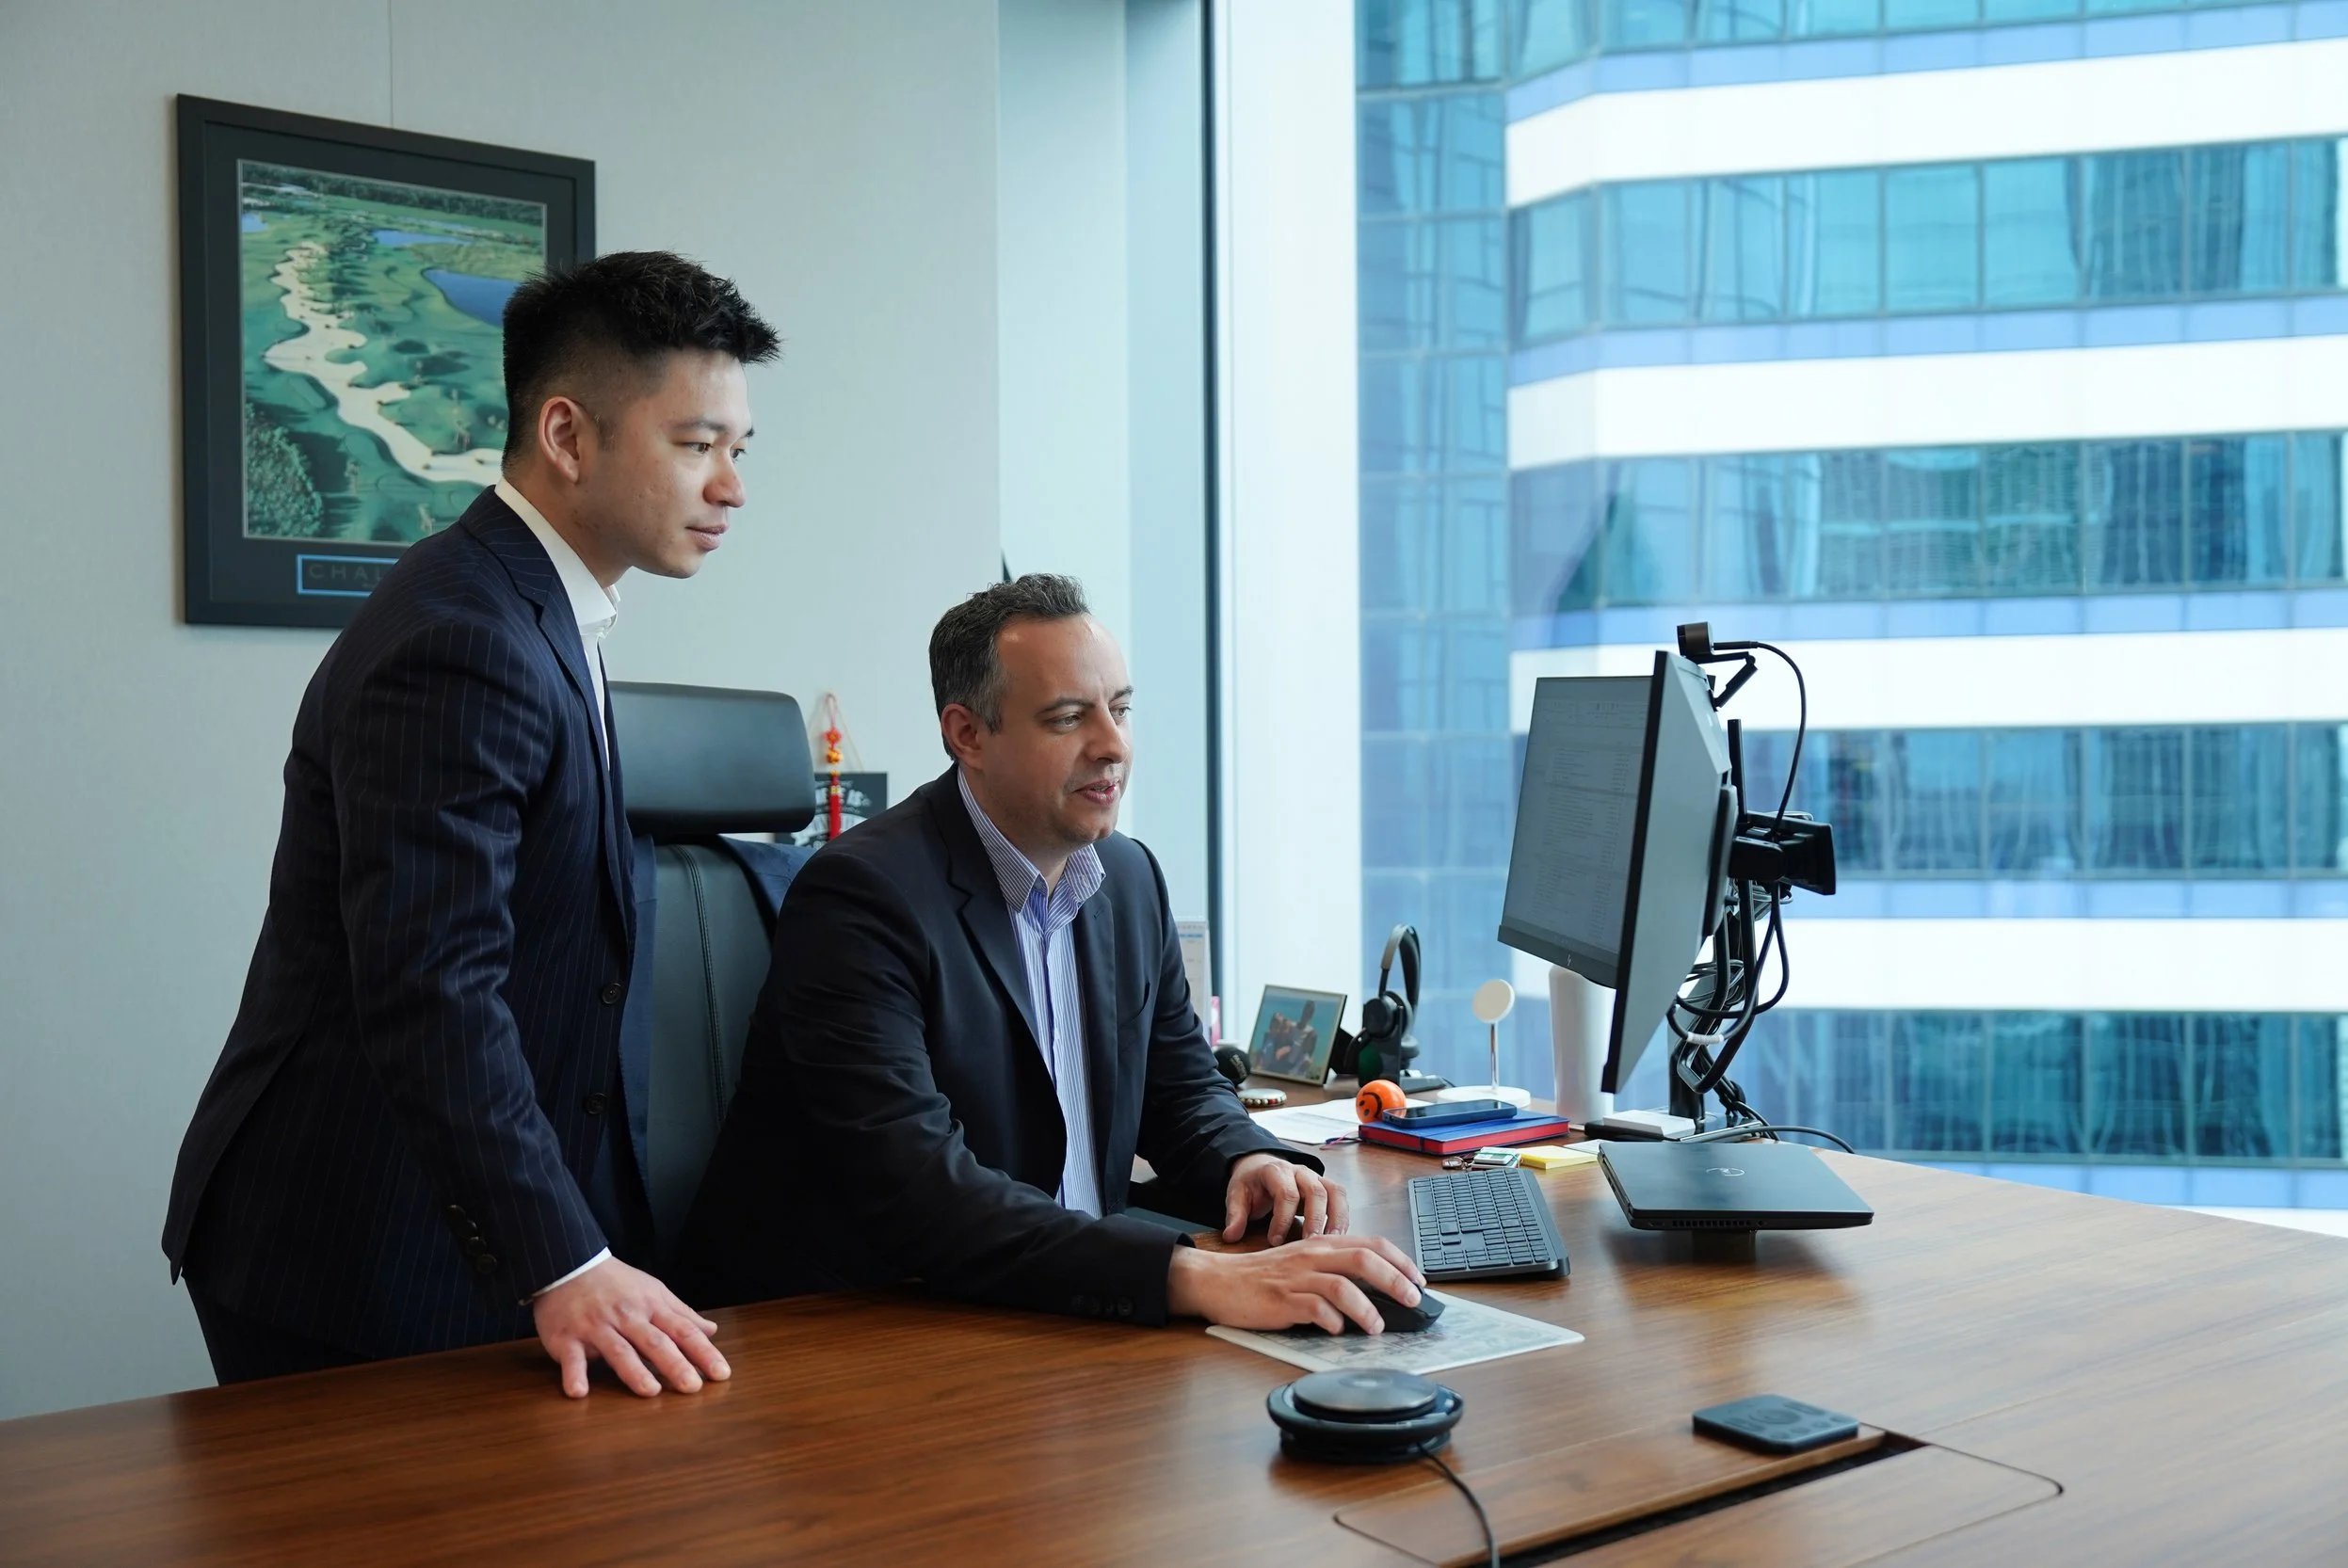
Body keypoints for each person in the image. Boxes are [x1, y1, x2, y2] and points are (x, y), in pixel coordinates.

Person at [162, 251, 780, 1396]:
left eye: (739, 449)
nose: (732, 485)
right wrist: (565, 1254)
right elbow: (431, 982)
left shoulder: (539, 605)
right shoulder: (466, 637)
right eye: (697, 445)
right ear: (567, 436)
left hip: (453, 1227)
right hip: (356, 1241)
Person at [676, 576, 1425, 1334]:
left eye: (1121, 709)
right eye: (1069, 718)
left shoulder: (1128, 878)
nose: (1114, 745)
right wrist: (1193, 1277)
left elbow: (1181, 1088)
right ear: (968, 734)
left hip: (1066, 1305)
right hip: (870, 1323)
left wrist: (1246, 1161)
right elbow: (921, 1193)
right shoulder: (863, 897)